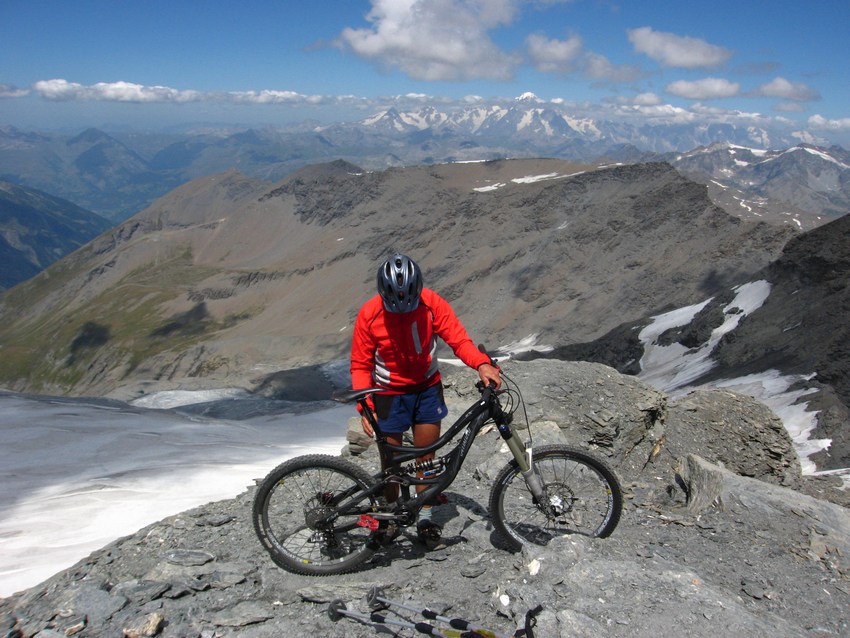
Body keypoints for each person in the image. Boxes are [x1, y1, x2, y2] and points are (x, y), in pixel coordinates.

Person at [350, 253, 501, 548]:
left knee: (426, 459)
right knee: (390, 464)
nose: (404, 304)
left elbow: (458, 340)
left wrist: (482, 364)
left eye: (410, 296)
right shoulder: (369, 314)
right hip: (389, 394)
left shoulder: (432, 304)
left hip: (426, 389)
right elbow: (360, 366)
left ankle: (426, 520)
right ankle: (387, 519)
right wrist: (365, 408)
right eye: (396, 300)